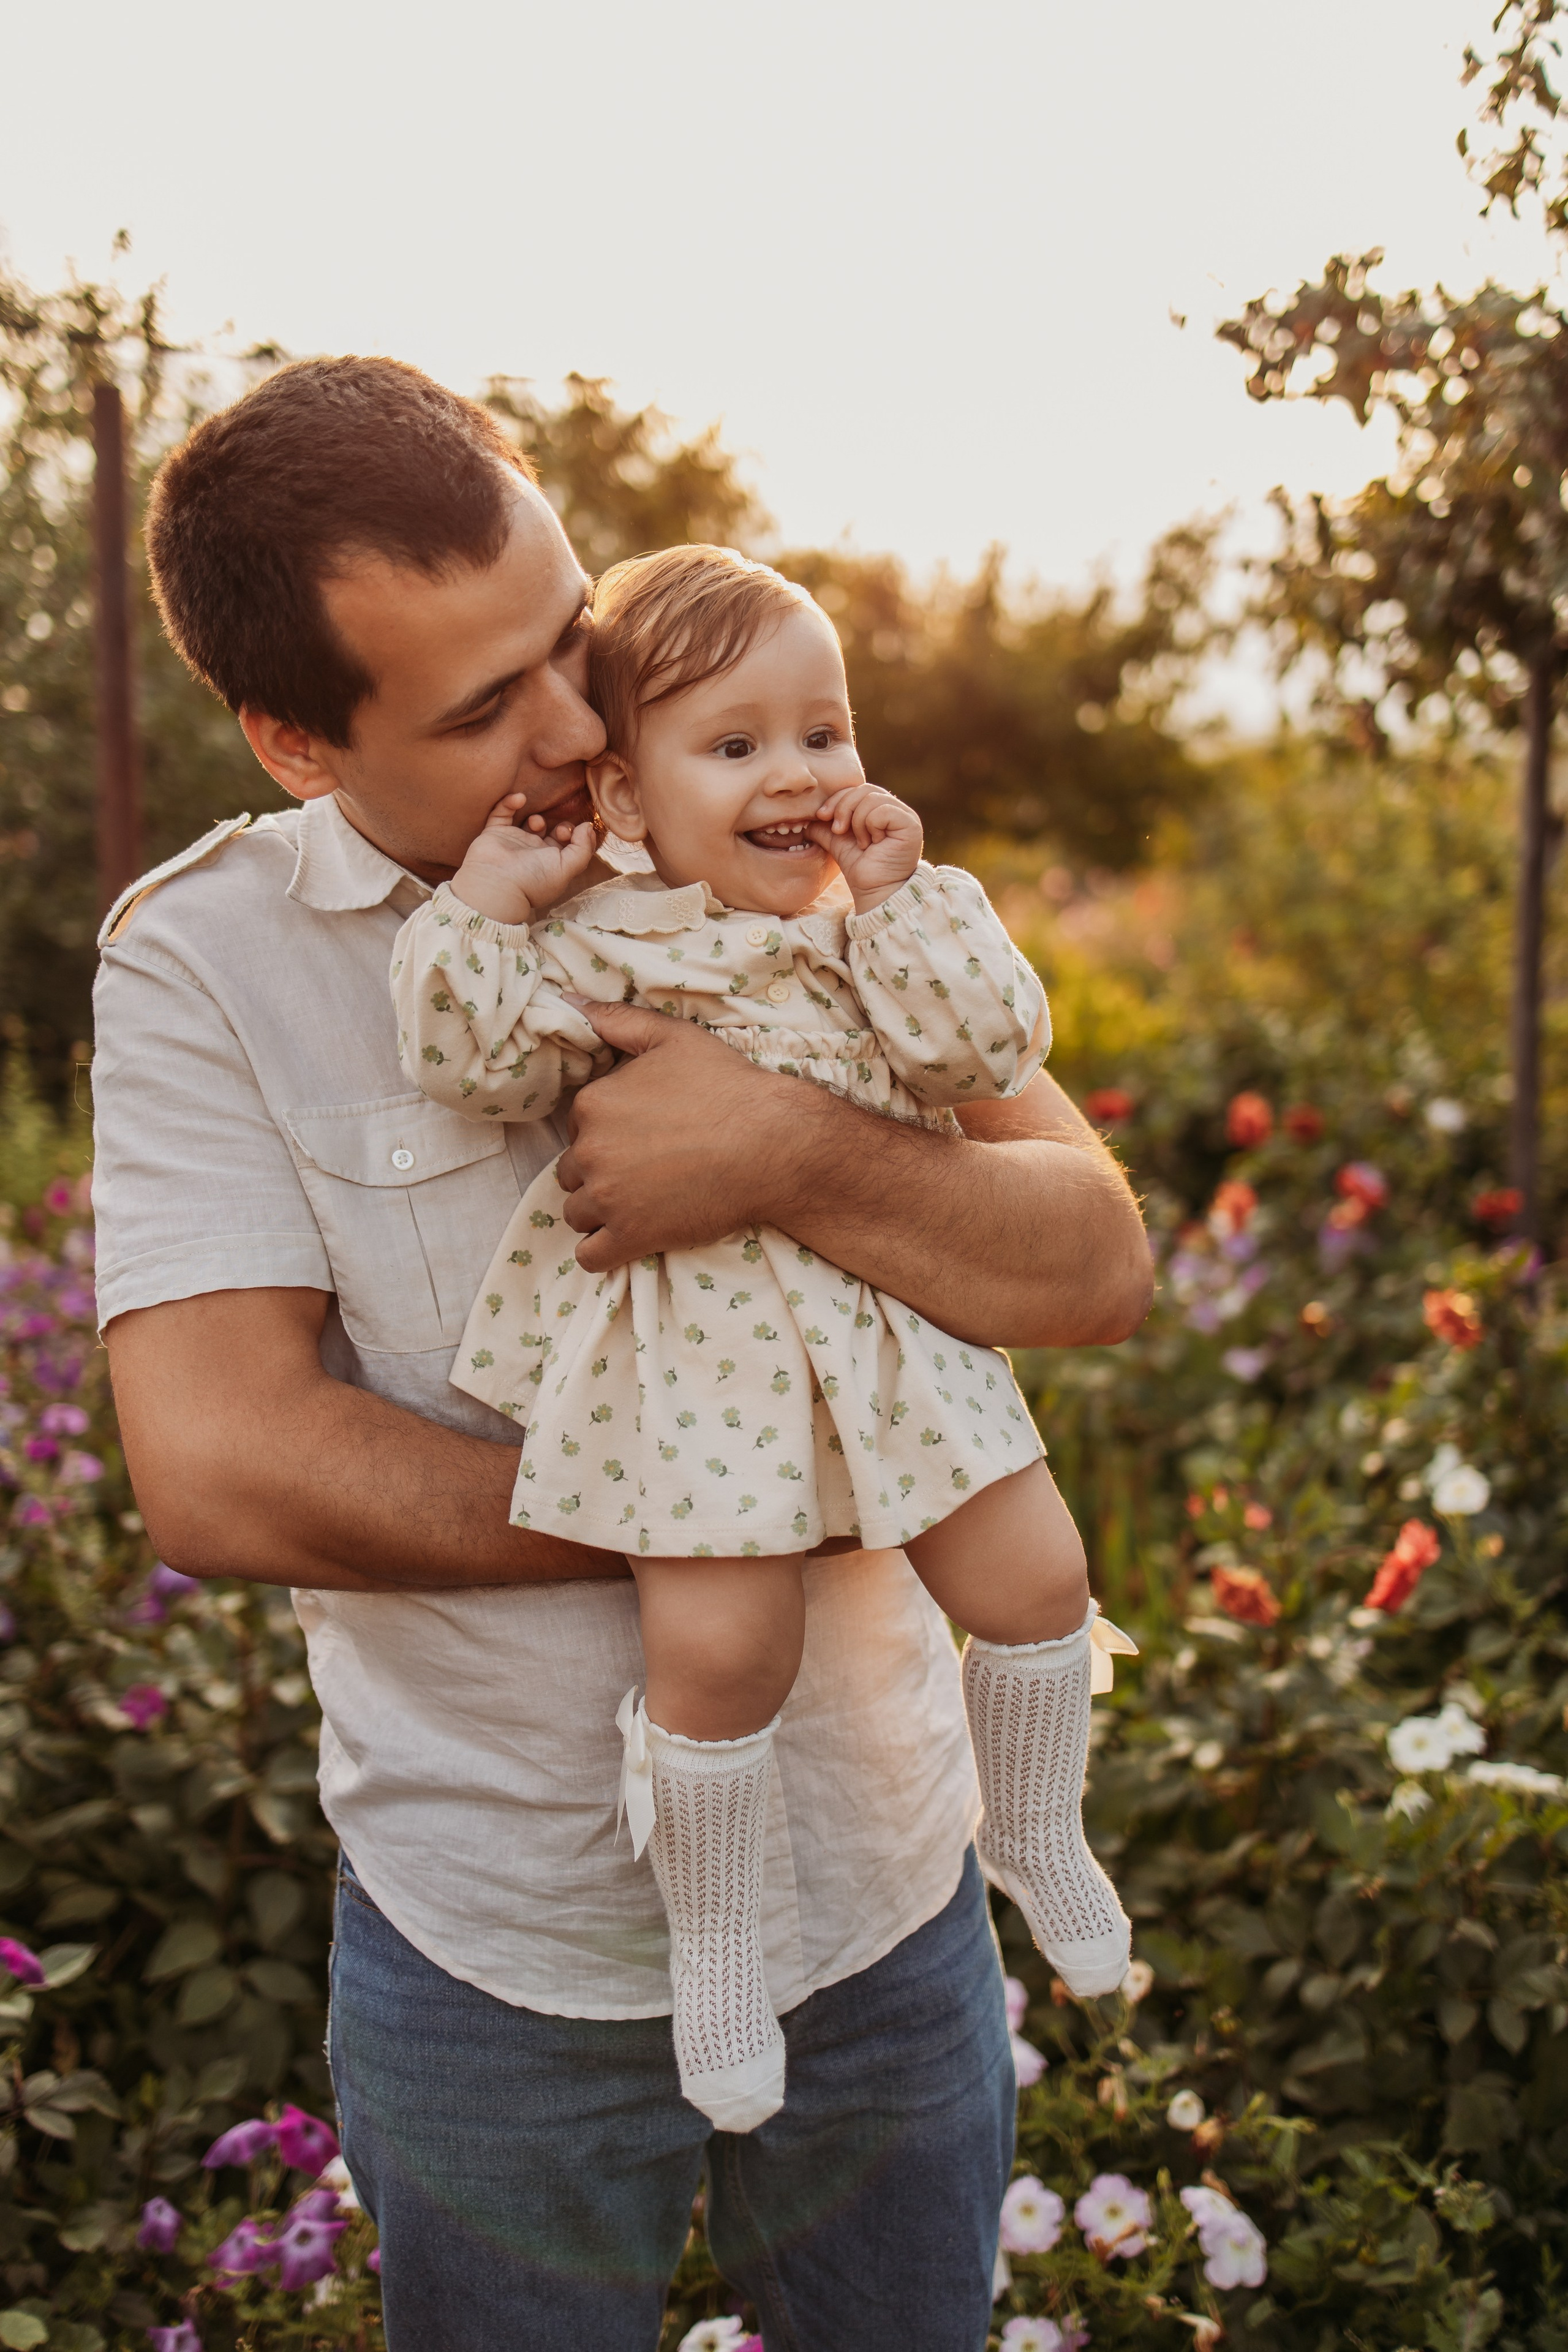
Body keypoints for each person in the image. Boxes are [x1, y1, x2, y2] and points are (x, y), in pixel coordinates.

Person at [93, 355, 1152, 2352]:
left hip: (886, 1903)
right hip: (499, 1961)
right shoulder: (204, 960)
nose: (583, 721)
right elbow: (222, 1464)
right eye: (487, 707)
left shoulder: (762, 840)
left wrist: (785, 1148)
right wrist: (732, 1509)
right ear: (296, 741)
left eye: (565, 642)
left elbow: (1089, 1253)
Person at [393, 541, 1136, 2135]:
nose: (797, 773)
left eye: (825, 731)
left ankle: (1039, 1831)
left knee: (1039, 1578)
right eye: (734, 747)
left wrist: (905, 888)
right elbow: (462, 1052)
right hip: (701, 1364)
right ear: (623, 799)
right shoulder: (599, 944)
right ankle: (716, 1943)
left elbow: (987, 1045)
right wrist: (486, 902)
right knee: (726, 1655)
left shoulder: (876, 927)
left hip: (891, 1342)